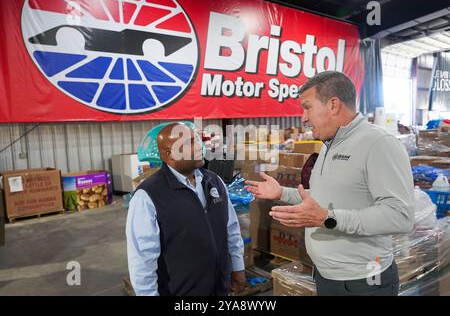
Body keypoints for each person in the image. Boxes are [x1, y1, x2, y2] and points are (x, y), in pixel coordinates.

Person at [246, 71, 415, 296]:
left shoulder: (378, 144)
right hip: (327, 276)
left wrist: (328, 218)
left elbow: (400, 216)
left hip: (364, 280)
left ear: (333, 105)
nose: (303, 117)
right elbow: (321, 197)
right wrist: (282, 193)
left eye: (307, 107)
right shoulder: (329, 145)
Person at [126, 122, 246, 296]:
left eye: (196, 140)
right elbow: (142, 260)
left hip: (220, 289)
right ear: (168, 154)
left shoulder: (215, 181)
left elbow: (231, 229)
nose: (199, 147)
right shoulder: (148, 196)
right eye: (189, 143)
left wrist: (238, 267)